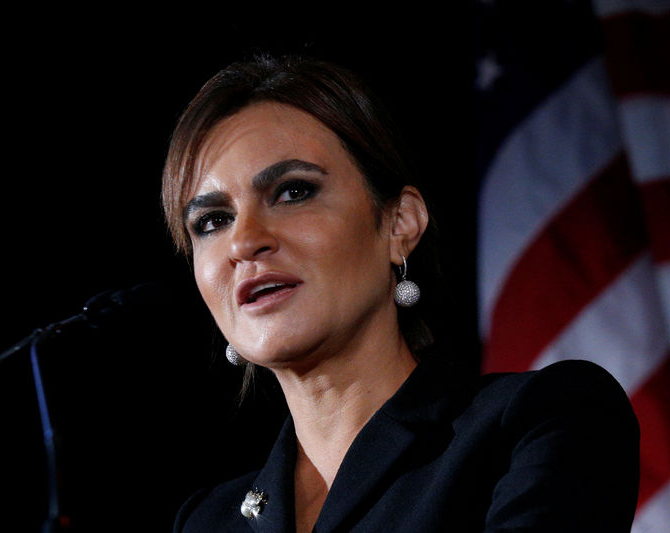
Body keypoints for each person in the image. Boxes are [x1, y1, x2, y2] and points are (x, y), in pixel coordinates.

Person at [162, 54, 639, 532]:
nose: (244, 241)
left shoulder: (539, 424)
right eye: (212, 221)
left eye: (293, 192)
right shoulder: (206, 521)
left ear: (400, 224)